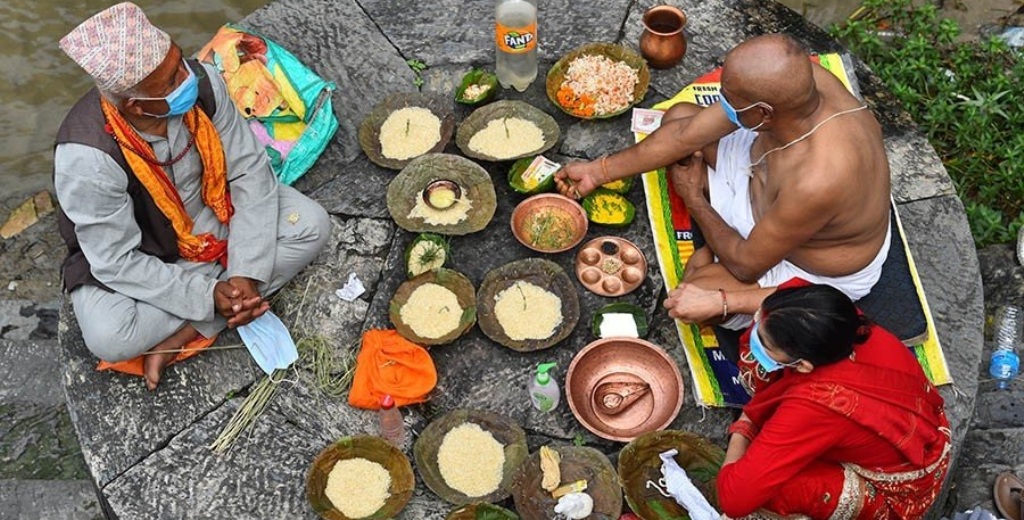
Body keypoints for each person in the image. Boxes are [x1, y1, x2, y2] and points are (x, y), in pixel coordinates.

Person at [54, 3, 331, 390]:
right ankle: (223, 304)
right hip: (144, 250)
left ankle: (184, 335)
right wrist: (207, 292)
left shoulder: (202, 83)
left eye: (179, 59)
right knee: (109, 337)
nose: (188, 76)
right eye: (171, 79)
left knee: (312, 226)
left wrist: (244, 275)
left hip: (213, 210)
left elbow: (249, 171)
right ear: (135, 105)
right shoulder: (87, 159)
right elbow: (115, 260)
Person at [555, 34, 892, 330]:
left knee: (696, 296)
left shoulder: (818, 178)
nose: (722, 101)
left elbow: (746, 265)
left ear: (763, 113)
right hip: (761, 179)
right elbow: (687, 133)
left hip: (803, 261)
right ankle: (719, 225)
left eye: (730, 99)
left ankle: (712, 220)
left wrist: (694, 199)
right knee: (678, 117)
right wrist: (598, 171)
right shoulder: (804, 80)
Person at [715, 282, 950, 519]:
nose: (755, 333)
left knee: (772, 490)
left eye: (764, 343)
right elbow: (785, 292)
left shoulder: (818, 403)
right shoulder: (834, 318)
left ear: (803, 366)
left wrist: (744, 427)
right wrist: (722, 302)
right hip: (921, 430)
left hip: (895, 489)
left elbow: (734, 498)